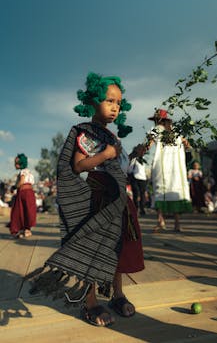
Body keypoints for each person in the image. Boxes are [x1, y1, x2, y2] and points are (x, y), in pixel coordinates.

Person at [27, 73, 144, 327]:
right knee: (92, 249)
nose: (115, 107)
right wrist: (105, 154)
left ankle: (117, 293)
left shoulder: (113, 138)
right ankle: (90, 302)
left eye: (119, 103)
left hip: (118, 201)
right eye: (109, 100)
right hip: (97, 199)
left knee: (116, 249)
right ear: (92, 101)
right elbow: (80, 166)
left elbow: (119, 168)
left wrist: (133, 154)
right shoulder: (85, 133)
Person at [148, 109, 192, 232]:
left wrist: (138, 152)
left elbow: (148, 145)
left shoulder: (155, 130)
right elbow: (188, 145)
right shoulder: (177, 133)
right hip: (176, 168)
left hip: (161, 166)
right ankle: (177, 224)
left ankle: (161, 221)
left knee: (160, 191)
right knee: (175, 190)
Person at [9, 153, 37, 238]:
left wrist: (14, 187)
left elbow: (21, 181)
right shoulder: (29, 171)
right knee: (27, 210)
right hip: (29, 192)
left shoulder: (23, 172)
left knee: (19, 211)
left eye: (16, 163)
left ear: (21, 163)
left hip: (23, 192)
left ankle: (23, 229)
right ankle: (26, 230)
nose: (15, 165)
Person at [128, 150, 147, 215]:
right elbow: (130, 169)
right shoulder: (134, 159)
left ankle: (142, 209)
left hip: (143, 178)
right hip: (135, 178)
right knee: (136, 193)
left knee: (142, 194)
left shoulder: (144, 159)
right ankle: (136, 209)